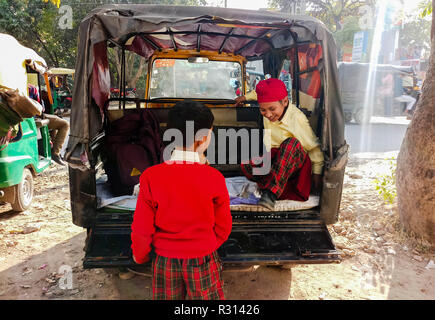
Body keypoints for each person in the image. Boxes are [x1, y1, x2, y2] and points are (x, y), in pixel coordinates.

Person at [131, 100, 232, 300]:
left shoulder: (151, 177)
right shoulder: (214, 178)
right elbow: (224, 226)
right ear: (204, 138)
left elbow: (142, 226)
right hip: (203, 258)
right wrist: (207, 244)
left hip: (164, 261)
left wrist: (140, 255)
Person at [239, 78, 324, 210]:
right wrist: (244, 97)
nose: (268, 114)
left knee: (291, 144)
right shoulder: (268, 105)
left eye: (272, 109)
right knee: (248, 166)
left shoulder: (297, 119)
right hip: (277, 159)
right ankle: (272, 184)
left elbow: (313, 147)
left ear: (285, 102)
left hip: (296, 161)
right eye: (263, 110)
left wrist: (317, 173)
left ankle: (270, 194)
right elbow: (258, 93)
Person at [28, 84, 69, 166]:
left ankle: (51, 148)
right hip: (33, 118)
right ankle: (55, 153)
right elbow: (41, 108)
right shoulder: (31, 88)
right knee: (65, 124)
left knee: (55, 120)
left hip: (25, 119)